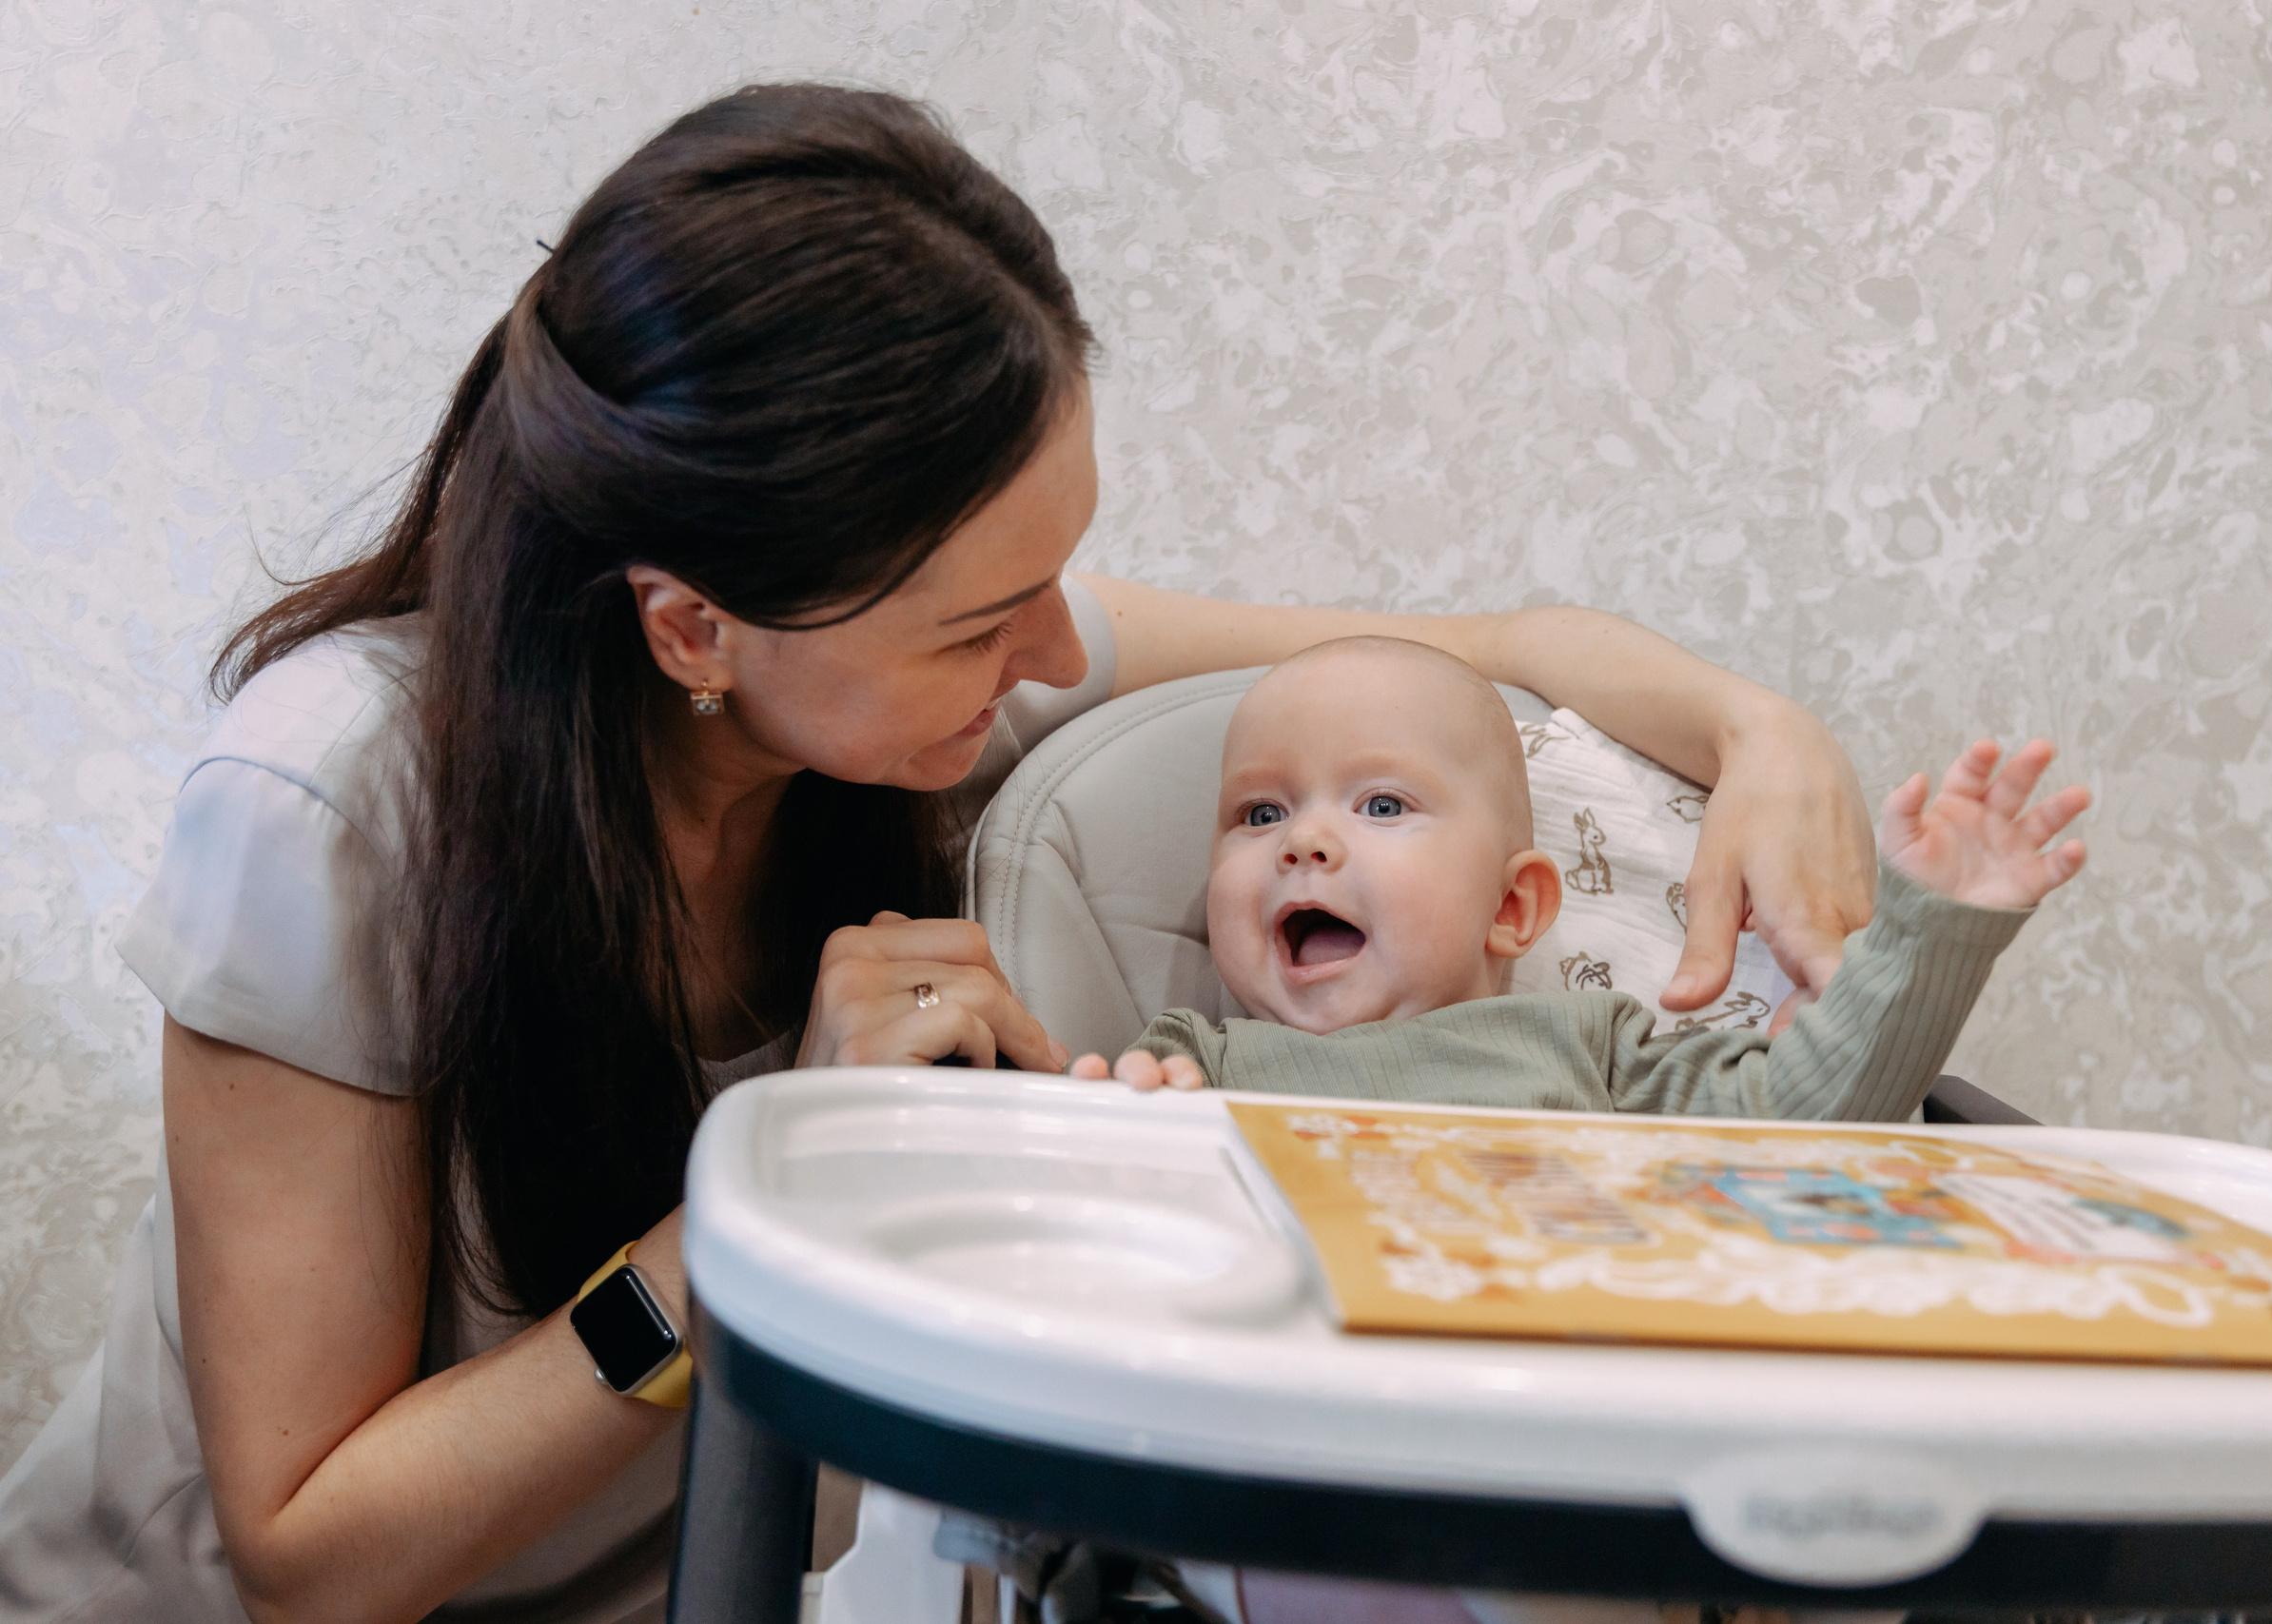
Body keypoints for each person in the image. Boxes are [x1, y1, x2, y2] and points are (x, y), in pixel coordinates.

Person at [0, 87, 1880, 1624]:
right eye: (987, 620)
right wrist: (758, 1194)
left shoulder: (909, 683)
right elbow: (315, 1556)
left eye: (1055, 575)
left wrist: (1755, 735)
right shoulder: (328, 808)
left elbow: (1488, 649)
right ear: (691, 631)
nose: (1060, 656)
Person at [1073, 636, 2088, 1110]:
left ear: (1514, 908)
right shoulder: (1195, 1061)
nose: (1304, 842)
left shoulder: (1586, 1049)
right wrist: (1125, 1117)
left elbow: (1800, 1114)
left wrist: (1928, 927)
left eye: (1381, 805)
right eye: (1260, 813)